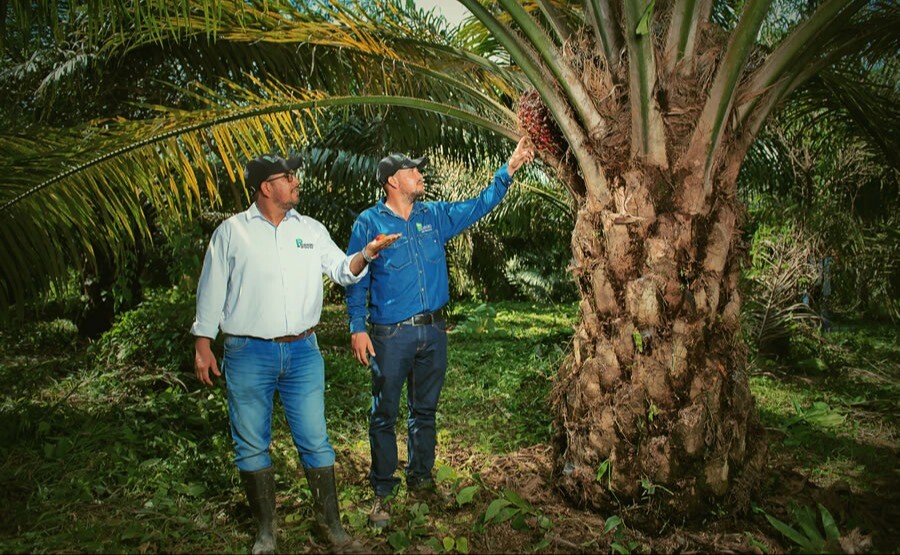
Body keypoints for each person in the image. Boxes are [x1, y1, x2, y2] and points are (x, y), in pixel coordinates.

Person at [191, 154, 399, 554]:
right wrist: (203, 343)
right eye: (288, 177)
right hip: (248, 353)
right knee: (252, 444)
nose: (296, 181)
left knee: (316, 441)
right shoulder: (232, 233)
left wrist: (367, 253)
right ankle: (265, 533)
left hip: (303, 352)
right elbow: (211, 290)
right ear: (266, 187)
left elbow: (342, 269)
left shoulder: (310, 230)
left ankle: (332, 529)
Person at [345, 138, 535, 528]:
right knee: (385, 414)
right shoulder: (370, 223)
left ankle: (421, 480)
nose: (420, 175)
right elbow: (356, 278)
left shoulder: (432, 215)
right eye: (412, 171)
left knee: (424, 411)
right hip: (389, 336)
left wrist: (509, 170)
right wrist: (356, 327)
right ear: (393, 181)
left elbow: (478, 206)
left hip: (433, 333)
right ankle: (383, 492)